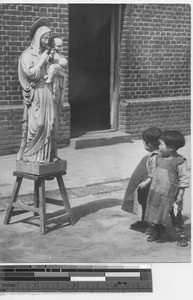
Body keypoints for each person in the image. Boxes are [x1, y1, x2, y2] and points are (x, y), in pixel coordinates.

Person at [17, 18, 62, 164]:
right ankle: (30, 155)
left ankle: (48, 156)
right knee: (40, 124)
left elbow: (59, 67)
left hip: (48, 91)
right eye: (44, 37)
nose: (46, 40)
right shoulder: (27, 55)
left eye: (48, 38)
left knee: (51, 123)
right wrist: (42, 61)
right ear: (37, 37)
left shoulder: (48, 52)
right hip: (37, 93)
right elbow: (30, 73)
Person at [144, 130, 189, 247]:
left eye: (161, 144)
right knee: (157, 213)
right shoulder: (158, 158)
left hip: (172, 196)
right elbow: (153, 172)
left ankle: (182, 235)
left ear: (171, 148)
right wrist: (147, 182)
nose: (158, 146)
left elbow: (184, 180)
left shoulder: (180, 162)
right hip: (157, 192)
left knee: (176, 216)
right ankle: (157, 231)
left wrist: (180, 195)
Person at [121, 126, 161, 234]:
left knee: (150, 202)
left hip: (152, 185)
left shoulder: (155, 157)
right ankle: (146, 221)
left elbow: (151, 173)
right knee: (145, 201)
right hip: (149, 185)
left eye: (144, 143)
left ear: (149, 144)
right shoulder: (153, 156)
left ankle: (154, 225)